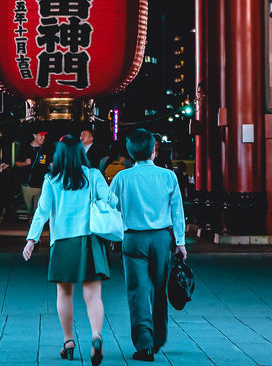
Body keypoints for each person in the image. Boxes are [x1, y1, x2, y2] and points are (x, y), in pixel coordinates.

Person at [23, 136, 112, 364]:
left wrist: (31, 240)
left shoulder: (52, 179)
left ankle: (68, 341)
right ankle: (95, 335)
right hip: (90, 240)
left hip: (62, 242)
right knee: (93, 294)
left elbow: (42, 212)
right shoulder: (93, 175)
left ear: (59, 155)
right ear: (81, 153)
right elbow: (110, 201)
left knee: (64, 293)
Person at [109, 128, 186, 362]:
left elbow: (111, 208)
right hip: (162, 238)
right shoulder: (168, 176)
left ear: (131, 153)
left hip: (132, 239)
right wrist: (180, 242)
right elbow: (177, 211)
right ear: (154, 151)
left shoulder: (122, 178)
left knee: (137, 291)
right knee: (160, 288)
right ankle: (159, 337)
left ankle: (144, 344)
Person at [18, 129, 51, 222]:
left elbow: (50, 163)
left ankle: (35, 227)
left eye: (44, 136)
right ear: (35, 135)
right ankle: (29, 223)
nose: (43, 138)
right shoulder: (26, 148)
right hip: (27, 184)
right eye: (41, 135)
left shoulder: (46, 149)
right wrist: (24, 163)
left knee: (37, 209)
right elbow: (16, 163)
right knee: (29, 209)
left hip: (40, 184)